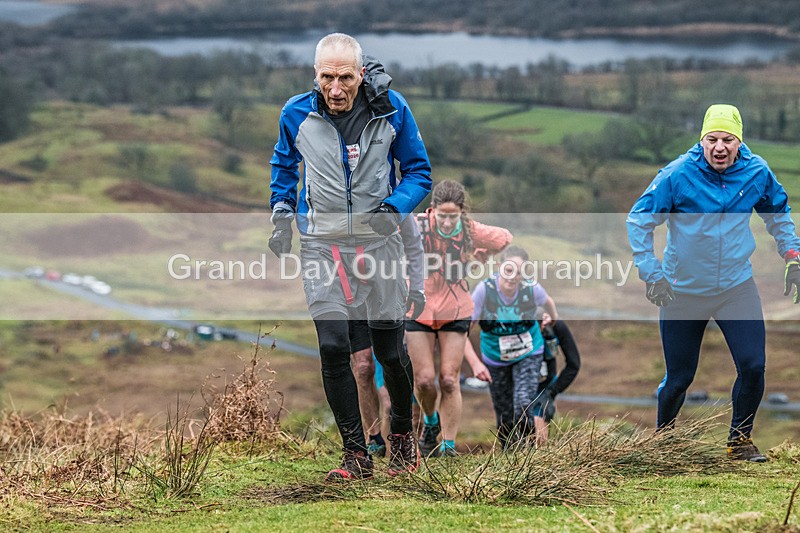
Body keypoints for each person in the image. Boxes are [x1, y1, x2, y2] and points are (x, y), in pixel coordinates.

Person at [269, 33, 432, 480]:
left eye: (344, 77)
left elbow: (419, 172)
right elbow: (284, 167)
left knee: (389, 352)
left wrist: (393, 210)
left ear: (362, 74)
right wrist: (282, 214)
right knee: (333, 346)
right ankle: (356, 455)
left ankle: (401, 433)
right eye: (326, 77)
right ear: (315, 75)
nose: (335, 88)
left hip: (379, 244)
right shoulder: (295, 112)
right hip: (321, 245)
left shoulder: (392, 107)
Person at [627, 104, 800, 462]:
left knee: (753, 366)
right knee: (679, 378)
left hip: (735, 287)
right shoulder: (677, 174)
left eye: (727, 139)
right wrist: (651, 272)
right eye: (712, 139)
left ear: (739, 141)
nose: (719, 147)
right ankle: (664, 440)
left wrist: (792, 256)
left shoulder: (756, 172)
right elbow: (638, 220)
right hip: (682, 290)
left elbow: (779, 214)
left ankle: (739, 441)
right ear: (701, 140)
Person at [405, 179, 513, 457]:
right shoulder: (416, 225)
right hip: (418, 307)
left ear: (461, 213)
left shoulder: (469, 230)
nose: (448, 221)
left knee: (450, 379)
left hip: (456, 309)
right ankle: (430, 421)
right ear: (432, 210)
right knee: (425, 380)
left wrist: (479, 253)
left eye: (453, 216)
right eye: (443, 215)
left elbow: (504, 238)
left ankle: (449, 445)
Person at [464, 246, 559, 449]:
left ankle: (526, 454)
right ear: (499, 267)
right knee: (505, 413)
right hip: (495, 359)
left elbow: (548, 301)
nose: (513, 277)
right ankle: (509, 454)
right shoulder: (484, 291)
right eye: (509, 270)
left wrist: (552, 318)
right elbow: (461, 333)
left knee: (523, 403)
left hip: (529, 353)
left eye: (519, 272)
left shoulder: (531, 289)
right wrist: (475, 364)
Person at [350, 214, 426, 458]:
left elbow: (414, 246)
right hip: (351, 291)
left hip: (387, 291)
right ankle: (373, 437)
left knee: (392, 359)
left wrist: (417, 288)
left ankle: (402, 433)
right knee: (363, 367)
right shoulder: (341, 198)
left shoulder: (396, 201)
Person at [531, 319, 581, 444]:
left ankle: (538, 462)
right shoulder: (516, 326)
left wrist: (553, 390)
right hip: (516, 387)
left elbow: (573, 364)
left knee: (538, 437)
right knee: (513, 434)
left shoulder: (556, 326)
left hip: (543, 390)